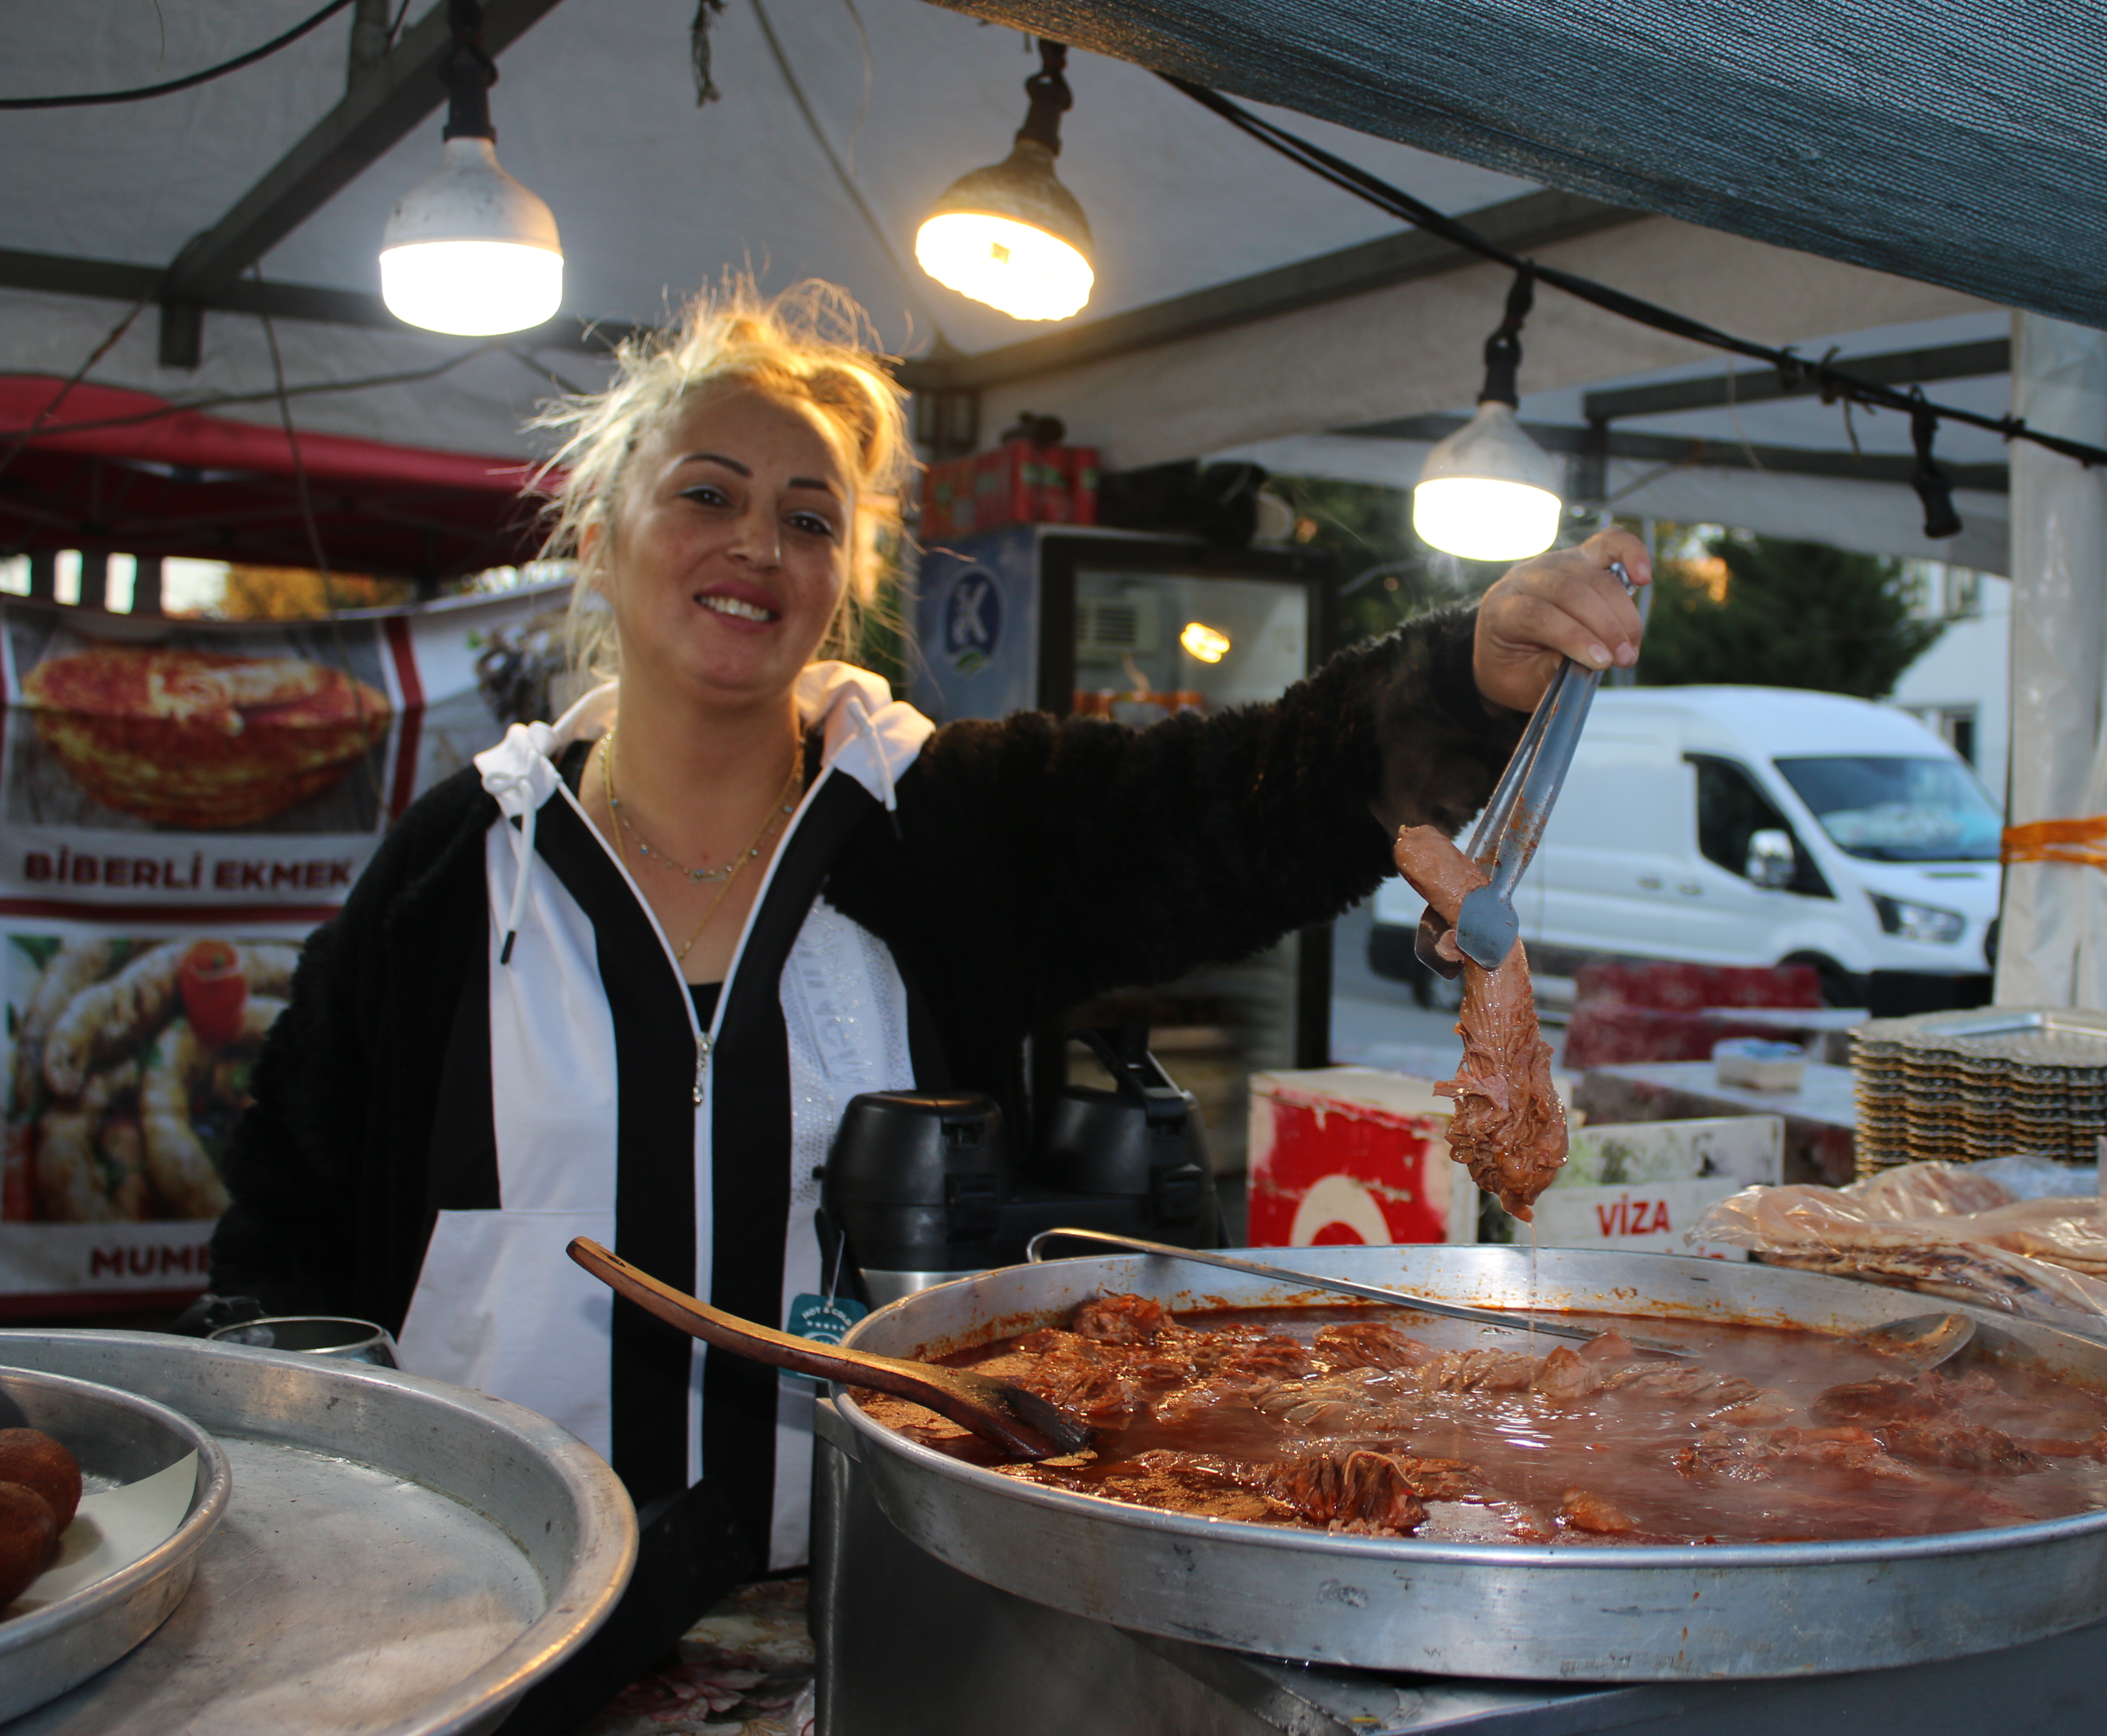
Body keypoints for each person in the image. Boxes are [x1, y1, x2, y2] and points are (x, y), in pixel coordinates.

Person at [211, 279, 1648, 1569]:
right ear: (598, 535)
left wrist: (1468, 676)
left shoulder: (945, 825)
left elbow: (1235, 803)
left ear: (846, 579)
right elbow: (283, 1245)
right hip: (494, 1603)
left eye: (808, 518)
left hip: (870, 1593)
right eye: (708, 493)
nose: (757, 544)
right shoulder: (458, 871)